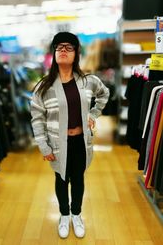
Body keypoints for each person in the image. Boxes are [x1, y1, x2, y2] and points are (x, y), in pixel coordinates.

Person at [30, 32, 109, 239]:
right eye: (59, 47)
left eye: (69, 47)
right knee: (61, 178)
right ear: (54, 53)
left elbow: (104, 94)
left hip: (81, 141)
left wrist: (93, 114)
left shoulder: (88, 81)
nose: (63, 51)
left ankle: (77, 214)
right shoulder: (43, 88)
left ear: (76, 54)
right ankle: (64, 215)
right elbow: (37, 118)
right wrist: (43, 146)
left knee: (78, 178)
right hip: (58, 143)